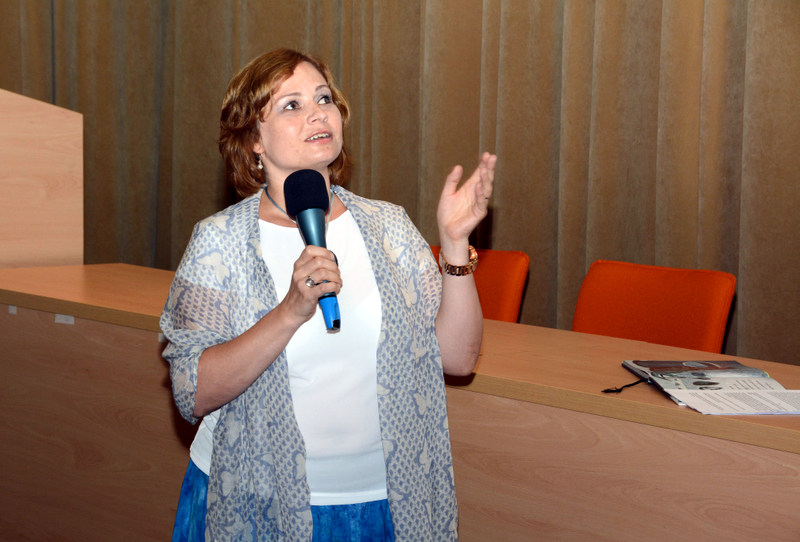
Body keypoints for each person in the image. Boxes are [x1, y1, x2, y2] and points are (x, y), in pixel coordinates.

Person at [160, 48, 496, 541]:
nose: (318, 113)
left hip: (386, 500)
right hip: (259, 503)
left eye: (323, 99)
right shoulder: (220, 242)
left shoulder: (388, 226)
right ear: (253, 140)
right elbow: (192, 389)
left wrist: (454, 243)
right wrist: (290, 311)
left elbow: (458, 359)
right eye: (291, 105)